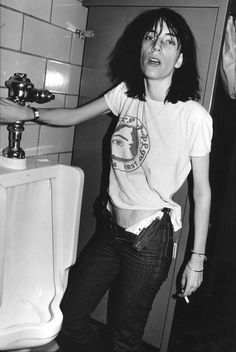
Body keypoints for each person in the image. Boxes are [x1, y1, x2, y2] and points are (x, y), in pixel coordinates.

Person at [0, 8, 212, 352]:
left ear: (180, 59)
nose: (156, 47)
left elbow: (201, 192)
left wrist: (196, 259)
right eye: (150, 37)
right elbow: (74, 116)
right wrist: (26, 113)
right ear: (140, 47)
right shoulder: (126, 94)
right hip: (111, 230)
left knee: (125, 338)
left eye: (168, 41)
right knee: (69, 315)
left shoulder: (193, 116)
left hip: (150, 239)